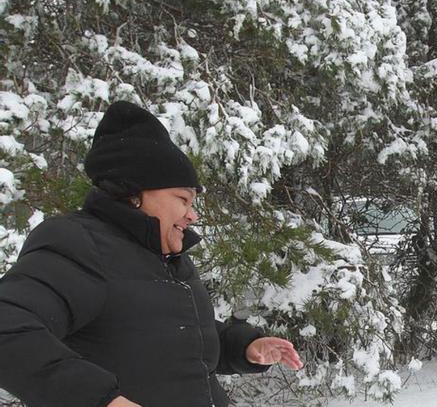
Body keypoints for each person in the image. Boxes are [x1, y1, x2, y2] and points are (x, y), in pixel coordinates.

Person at [0, 101, 304, 407]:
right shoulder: (79, 243)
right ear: (135, 193)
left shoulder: (167, 258)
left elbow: (174, 335)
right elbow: (9, 328)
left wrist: (244, 347)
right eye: (183, 198)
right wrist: (98, 399)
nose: (192, 215)